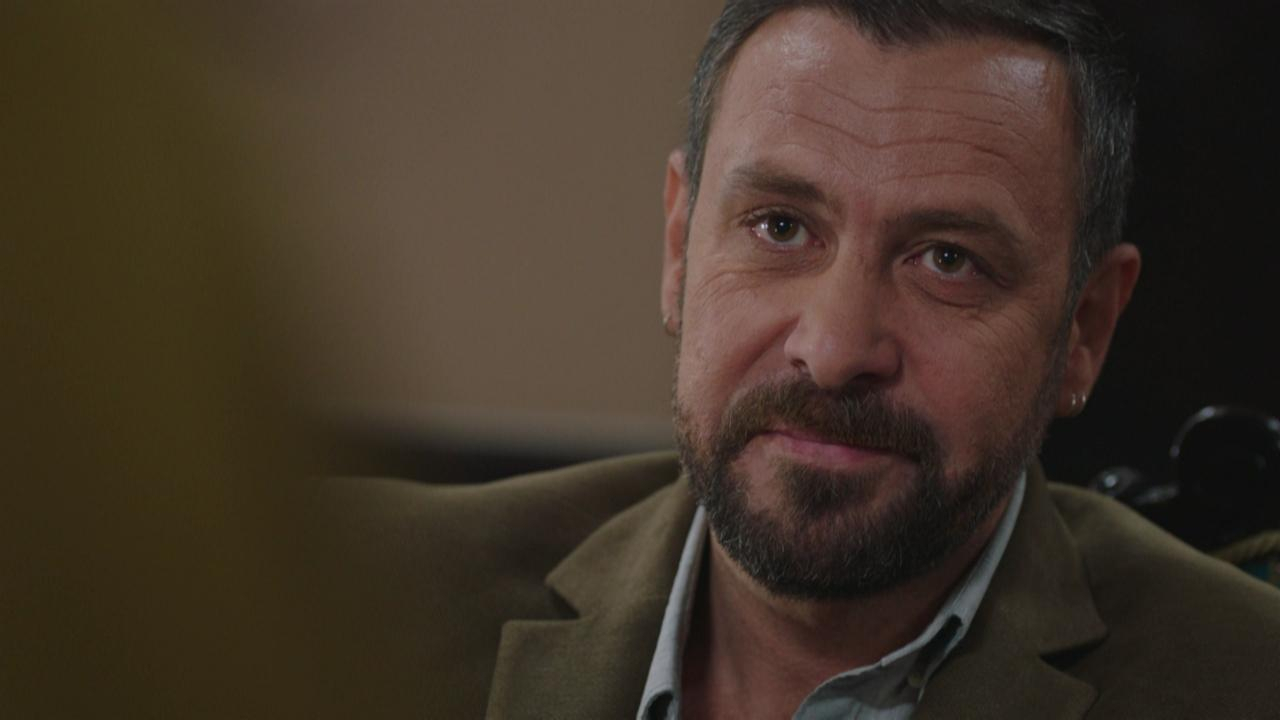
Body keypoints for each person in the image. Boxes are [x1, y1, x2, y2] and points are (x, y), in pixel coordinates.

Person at [328, 1, 1280, 717]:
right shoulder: (347, 594)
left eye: (947, 260)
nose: (831, 352)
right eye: (780, 227)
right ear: (680, 246)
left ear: (1085, 330)